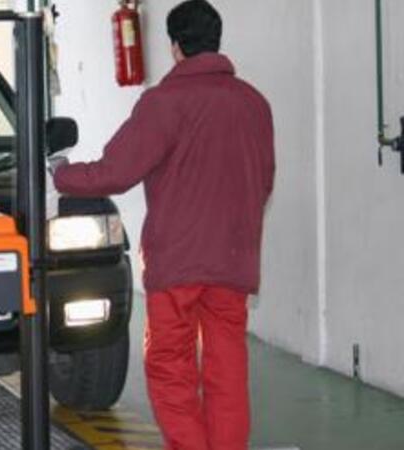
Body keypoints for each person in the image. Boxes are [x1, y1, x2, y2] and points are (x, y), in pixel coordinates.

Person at [52, 1, 275, 449]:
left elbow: (114, 172)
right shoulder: (254, 103)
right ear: (217, 40)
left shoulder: (164, 103)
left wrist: (61, 175)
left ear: (174, 47)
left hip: (178, 264)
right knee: (228, 368)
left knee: (170, 366)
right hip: (233, 260)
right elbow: (264, 178)